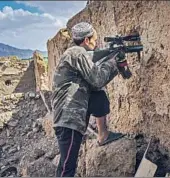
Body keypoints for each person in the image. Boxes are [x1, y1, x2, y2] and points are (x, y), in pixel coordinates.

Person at [51, 22, 127, 177]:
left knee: (98, 95)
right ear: (86, 40)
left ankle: (103, 135)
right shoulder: (77, 53)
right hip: (69, 118)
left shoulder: (75, 53)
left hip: (71, 116)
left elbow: (95, 85)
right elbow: (97, 78)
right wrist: (114, 63)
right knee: (68, 167)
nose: (96, 43)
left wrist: (110, 54)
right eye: (94, 40)